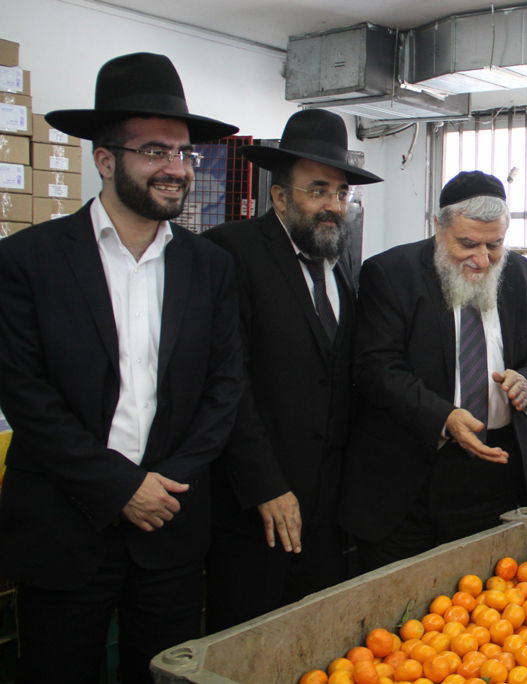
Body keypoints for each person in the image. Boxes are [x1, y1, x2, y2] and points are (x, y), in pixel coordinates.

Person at [0, 53, 242, 683]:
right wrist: (119, 487)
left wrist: (167, 484)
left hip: (172, 526)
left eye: (185, 153)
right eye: (155, 150)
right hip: (63, 527)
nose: (175, 168)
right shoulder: (27, 262)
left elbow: (224, 388)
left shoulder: (209, 266)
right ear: (104, 159)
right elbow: (25, 395)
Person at [202, 109, 383, 632]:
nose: (333, 206)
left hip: (327, 503)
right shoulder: (231, 253)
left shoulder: (339, 258)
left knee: (314, 637)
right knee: (249, 633)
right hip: (255, 497)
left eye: (341, 193)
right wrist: (264, 485)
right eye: (317, 190)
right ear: (280, 197)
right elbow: (226, 383)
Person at [341, 171, 527, 571]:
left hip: (493, 472)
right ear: (438, 228)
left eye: (494, 245)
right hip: (411, 477)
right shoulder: (392, 274)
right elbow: (376, 368)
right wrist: (443, 416)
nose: (482, 260)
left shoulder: (522, 275)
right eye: (468, 244)